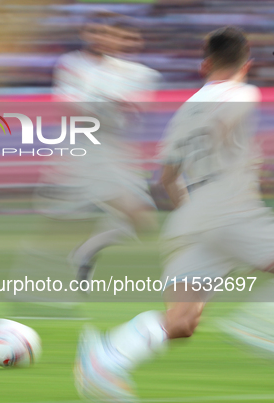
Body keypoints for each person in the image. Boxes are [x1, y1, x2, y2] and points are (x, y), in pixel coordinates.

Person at [76, 26, 268, 401]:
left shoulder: (185, 110)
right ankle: (262, 325)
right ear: (247, 64)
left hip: (194, 219)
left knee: (181, 322)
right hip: (231, 208)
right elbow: (227, 117)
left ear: (205, 64)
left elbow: (165, 178)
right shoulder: (243, 92)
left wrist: (199, 219)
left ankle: (106, 357)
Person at [47, 17, 159, 285]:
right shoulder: (73, 64)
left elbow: (135, 111)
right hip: (87, 150)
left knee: (142, 220)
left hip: (115, 151)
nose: (102, 38)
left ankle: (84, 253)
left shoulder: (132, 72)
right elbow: (69, 107)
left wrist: (118, 106)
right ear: (85, 33)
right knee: (135, 213)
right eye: (95, 32)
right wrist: (106, 106)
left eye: (108, 33)